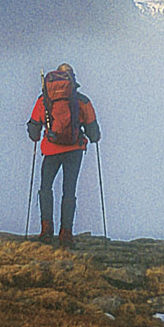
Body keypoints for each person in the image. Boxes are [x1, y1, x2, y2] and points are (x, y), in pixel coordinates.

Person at [27, 63, 100, 246]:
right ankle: (66, 234)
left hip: (51, 149)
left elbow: (34, 129)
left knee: (46, 188)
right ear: (72, 78)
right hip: (74, 151)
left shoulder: (44, 100)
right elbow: (93, 133)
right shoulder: (82, 100)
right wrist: (93, 136)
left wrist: (38, 134)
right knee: (69, 190)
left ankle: (46, 231)